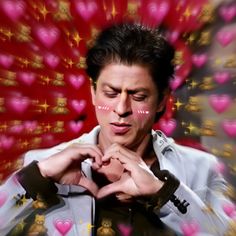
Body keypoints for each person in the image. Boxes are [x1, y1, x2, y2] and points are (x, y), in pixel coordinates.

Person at [0, 23, 233, 236]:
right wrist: (36, 178)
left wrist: (164, 193)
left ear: (162, 100)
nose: (121, 109)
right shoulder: (41, 165)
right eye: (110, 94)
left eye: (138, 96)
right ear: (93, 92)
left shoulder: (203, 169)